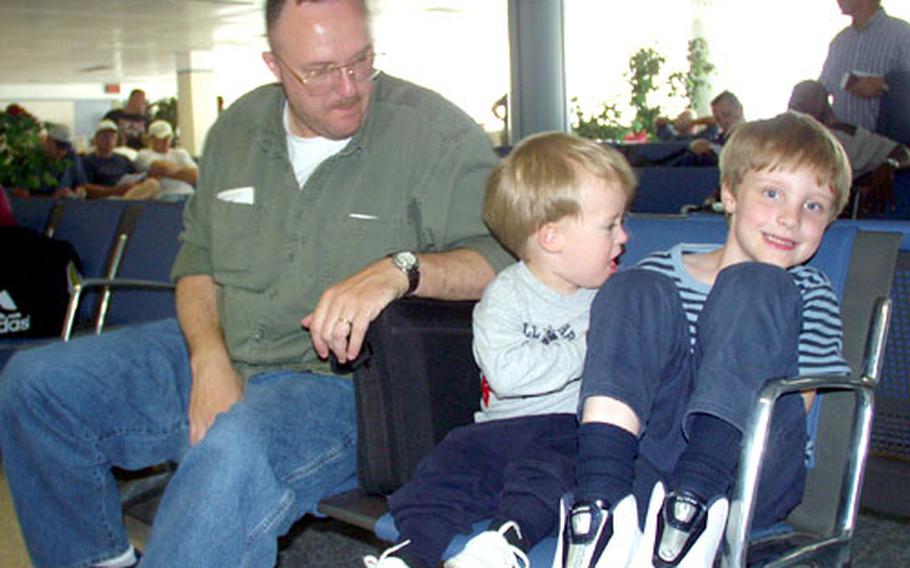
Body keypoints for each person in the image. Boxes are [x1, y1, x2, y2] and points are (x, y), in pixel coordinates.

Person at [0, 0, 511, 567]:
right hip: (226, 344)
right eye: (318, 70)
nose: (347, 87)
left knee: (233, 452)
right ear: (274, 65)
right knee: (37, 386)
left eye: (360, 60)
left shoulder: (433, 136)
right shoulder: (237, 131)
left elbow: (505, 261)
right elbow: (197, 262)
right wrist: (208, 360)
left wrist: (402, 269)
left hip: (343, 385)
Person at [557, 112, 853, 567]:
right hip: (648, 460)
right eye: (772, 193)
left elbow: (796, 404)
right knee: (632, 286)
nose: (790, 218)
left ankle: (694, 504)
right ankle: (600, 506)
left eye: (813, 206)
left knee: (756, 285)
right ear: (730, 194)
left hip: (749, 466)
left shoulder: (806, 291)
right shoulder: (657, 274)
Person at [364, 132, 635, 568]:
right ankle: (411, 552)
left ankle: (504, 542)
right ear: (552, 238)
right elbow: (507, 376)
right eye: (611, 225)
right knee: (445, 469)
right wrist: (586, 350)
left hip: (569, 426)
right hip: (499, 430)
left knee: (550, 476)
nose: (624, 236)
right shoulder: (504, 296)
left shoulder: (616, 295)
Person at [789, 79, 909, 214]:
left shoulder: (847, 137)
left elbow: (902, 152)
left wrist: (888, 165)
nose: (801, 108)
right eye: (796, 104)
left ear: (826, 101)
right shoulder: (785, 138)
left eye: (807, 100)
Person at [819, 0, 910, 132]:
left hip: (886, 146)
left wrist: (884, 83)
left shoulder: (902, 35)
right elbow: (823, 89)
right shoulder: (840, 42)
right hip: (842, 144)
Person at [81, 119, 160, 199]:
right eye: (105, 136)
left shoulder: (123, 159)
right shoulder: (88, 160)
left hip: (128, 194)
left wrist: (133, 185)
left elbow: (137, 176)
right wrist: (116, 191)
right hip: (104, 198)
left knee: (152, 183)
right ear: (96, 139)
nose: (109, 140)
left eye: (112, 137)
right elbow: (87, 188)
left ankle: (126, 204)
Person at [133, 120, 197, 200]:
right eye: (162, 138)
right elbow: (162, 167)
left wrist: (165, 174)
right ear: (151, 139)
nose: (166, 141)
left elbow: (195, 175)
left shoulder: (180, 153)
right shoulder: (144, 154)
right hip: (166, 195)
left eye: (168, 137)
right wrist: (185, 173)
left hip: (190, 193)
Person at [688, 90, 744, 159]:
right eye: (718, 119)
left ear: (740, 110)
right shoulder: (719, 139)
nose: (723, 122)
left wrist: (712, 148)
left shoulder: (755, 135)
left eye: (727, 115)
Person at [36, 122, 87, 198]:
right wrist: (52, 197)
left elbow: (81, 185)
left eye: (65, 147)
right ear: (48, 141)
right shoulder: (33, 159)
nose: (62, 151)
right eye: (59, 146)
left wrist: (77, 193)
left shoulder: (72, 157)